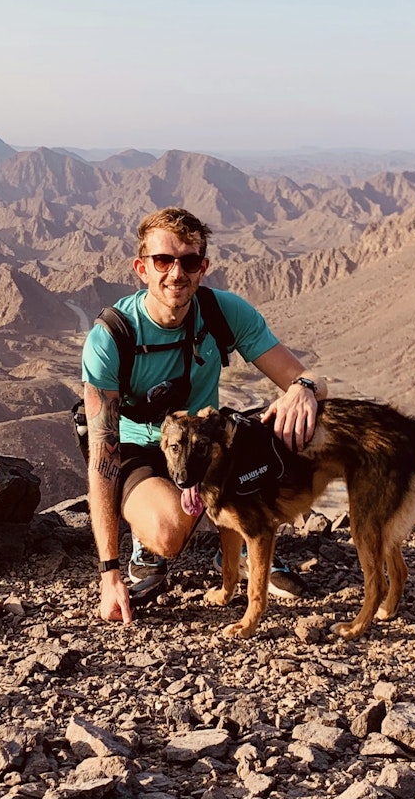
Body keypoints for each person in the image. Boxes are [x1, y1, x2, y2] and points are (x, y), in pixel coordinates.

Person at [81, 207, 327, 624]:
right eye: (163, 261)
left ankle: (243, 543)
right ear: (141, 268)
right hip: (137, 445)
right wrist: (109, 574)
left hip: (201, 445)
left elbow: (309, 379)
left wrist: (303, 392)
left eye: (189, 261)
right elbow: (102, 461)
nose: (176, 273)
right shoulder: (112, 336)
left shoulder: (221, 312)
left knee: (305, 423)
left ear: (203, 267)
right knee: (168, 532)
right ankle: (146, 539)